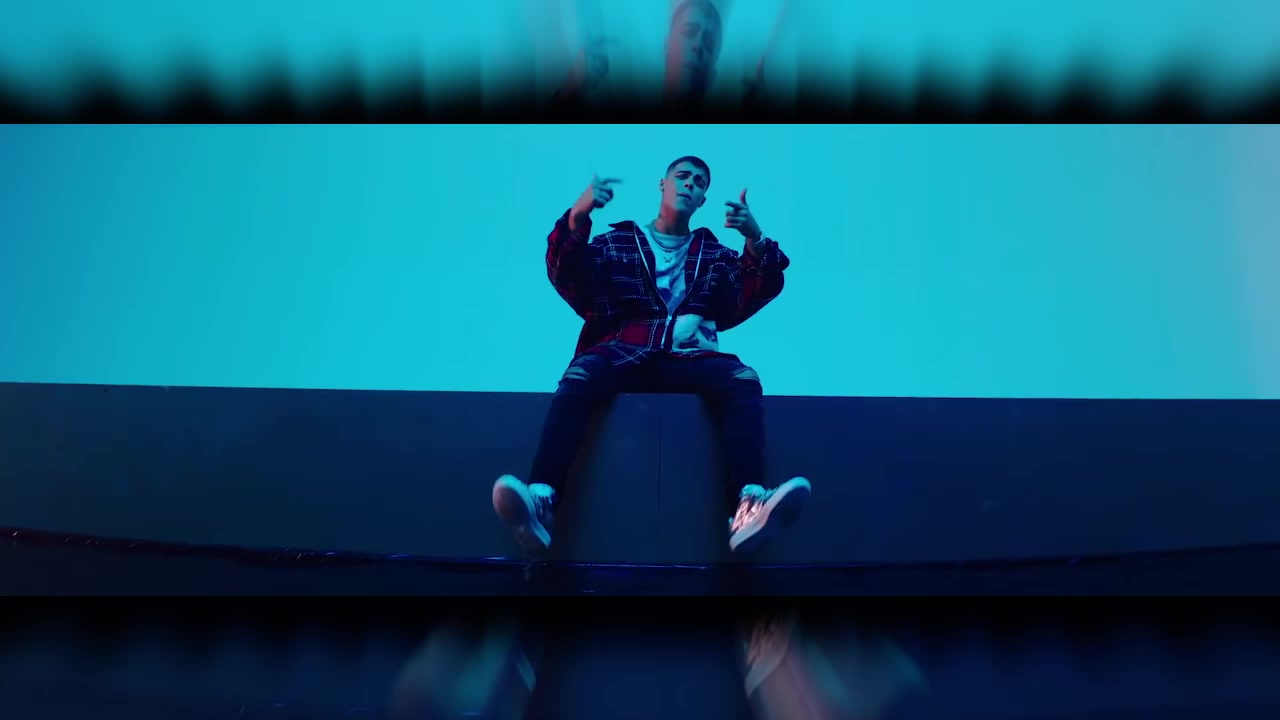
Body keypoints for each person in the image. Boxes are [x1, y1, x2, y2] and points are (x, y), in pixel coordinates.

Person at [491, 156, 810, 555]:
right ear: (663, 184)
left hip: (688, 360)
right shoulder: (619, 243)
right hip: (623, 352)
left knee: (742, 379)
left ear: (703, 199)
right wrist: (578, 214)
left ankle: (748, 507)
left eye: (699, 182)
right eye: (682, 176)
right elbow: (567, 271)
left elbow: (759, 286)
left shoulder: (713, 255)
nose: (689, 184)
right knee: (581, 375)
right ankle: (541, 499)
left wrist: (755, 237)